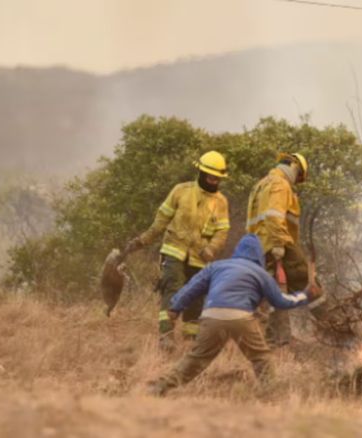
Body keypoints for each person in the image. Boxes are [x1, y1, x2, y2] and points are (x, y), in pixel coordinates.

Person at [147, 234, 321, 396]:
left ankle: (159, 388)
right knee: (260, 358)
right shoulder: (260, 273)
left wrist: (175, 307)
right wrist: (306, 295)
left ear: (238, 251)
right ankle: (271, 395)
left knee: (196, 359)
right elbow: (282, 301)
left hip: (212, 316)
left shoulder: (217, 266)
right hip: (241, 317)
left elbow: (192, 287)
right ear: (258, 255)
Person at [124, 151, 230, 351]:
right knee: (172, 290)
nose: (214, 181)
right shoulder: (181, 191)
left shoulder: (221, 202)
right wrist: (142, 241)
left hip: (200, 259)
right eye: (211, 176)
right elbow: (160, 221)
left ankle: (191, 341)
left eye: (218, 178)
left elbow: (222, 231)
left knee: (196, 298)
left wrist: (212, 249)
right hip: (174, 251)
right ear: (201, 172)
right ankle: (166, 336)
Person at [245, 152, 310, 346]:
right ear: (295, 167)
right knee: (307, 283)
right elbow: (274, 217)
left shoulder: (261, 184)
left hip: (258, 246)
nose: (296, 182)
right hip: (276, 243)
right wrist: (280, 244)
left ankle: (276, 337)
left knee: (273, 292)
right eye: (299, 177)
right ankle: (334, 330)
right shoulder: (280, 185)